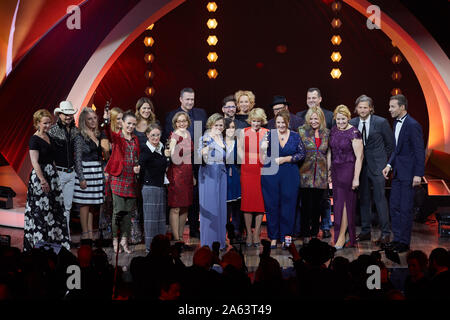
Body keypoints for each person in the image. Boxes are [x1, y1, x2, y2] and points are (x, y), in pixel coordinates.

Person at [382, 94, 425, 253]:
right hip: (398, 173)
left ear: (402, 107)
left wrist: (418, 174)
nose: (389, 109)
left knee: (405, 209)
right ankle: (397, 239)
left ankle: (404, 242)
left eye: (392, 106)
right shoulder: (395, 122)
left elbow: (419, 151)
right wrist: (389, 164)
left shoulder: (413, 125)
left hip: (409, 173)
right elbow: (396, 149)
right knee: (394, 207)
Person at [349, 95, 395, 245]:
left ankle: (385, 233)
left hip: (378, 167)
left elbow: (390, 145)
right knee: (364, 200)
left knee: (380, 199)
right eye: (360, 107)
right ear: (356, 109)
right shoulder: (352, 123)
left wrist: (385, 163)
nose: (362, 110)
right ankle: (365, 231)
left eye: (365, 107)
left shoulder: (381, 122)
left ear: (371, 108)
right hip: (360, 167)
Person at [23, 109, 70, 251]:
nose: (48, 125)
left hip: (52, 176)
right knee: (41, 210)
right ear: (37, 123)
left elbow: (52, 158)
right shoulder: (34, 139)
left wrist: (55, 176)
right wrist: (43, 180)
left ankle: (53, 242)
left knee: (54, 208)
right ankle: (40, 244)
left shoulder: (48, 136)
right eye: (45, 123)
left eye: (49, 122)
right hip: (40, 178)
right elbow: (34, 162)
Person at [164, 88, 207, 239]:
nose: (190, 102)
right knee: (176, 205)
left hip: (193, 166)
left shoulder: (200, 114)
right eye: (187, 99)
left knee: (190, 202)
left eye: (192, 99)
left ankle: (190, 232)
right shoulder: (171, 117)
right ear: (180, 99)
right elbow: (170, 147)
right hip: (177, 169)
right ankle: (177, 237)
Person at [261, 110, 305, 248]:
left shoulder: (295, 136)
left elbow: (301, 154)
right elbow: (262, 159)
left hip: (289, 174)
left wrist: (286, 159)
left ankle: (287, 236)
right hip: (270, 174)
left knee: (289, 205)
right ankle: (273, 237)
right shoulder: (269, 135)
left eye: (283, 122)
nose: (280, 125)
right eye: (278, 122)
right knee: (272, 205)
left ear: (288, 122)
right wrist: (263, 149)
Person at [296, 88, 334, 239]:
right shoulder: (301, 131)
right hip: (305, 173)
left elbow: (329, 151)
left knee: (319, 206)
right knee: (306, 205)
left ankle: (315, 231)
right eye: (311, 119)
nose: (313, 121)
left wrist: (329, 170)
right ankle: (305, 231)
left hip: (321, 174)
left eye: (316, 119)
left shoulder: (327, 132)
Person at [104, 111, 141, 254]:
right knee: (118, 211)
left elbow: (136, 157)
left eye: (133, 124)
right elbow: (107, 132)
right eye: (128, 123)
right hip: (118, 178)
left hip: (131, 179)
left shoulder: (136, 139)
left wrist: (138, 167)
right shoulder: (117, 138)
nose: (131, 126)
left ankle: (124, 240)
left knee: (128, 213)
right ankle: (115, 240)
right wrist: (106, 120)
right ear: (122, 124)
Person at [328, 105, 363, 249]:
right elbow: (330, 151)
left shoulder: (354, 132)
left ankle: (342, 236)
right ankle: (340, 235)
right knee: (337, 204)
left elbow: (360, 157)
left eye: (343, 119)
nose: (341, 122)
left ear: (348, 118)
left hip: (348, 171)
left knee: (345, 204)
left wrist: (356, 178)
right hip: (336, 171)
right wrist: (329, 171)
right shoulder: (334, 130)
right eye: (338, 119)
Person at [48, 101, 82, 240]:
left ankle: (65, 236)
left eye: (70, 114)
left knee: (67, 207)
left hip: (71, 173)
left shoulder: (75, 131)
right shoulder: (53, 131)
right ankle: (54, 236)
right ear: (59, 114)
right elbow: (49, 153)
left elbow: (77, 155)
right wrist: (53, 172)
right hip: (59, 173)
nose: (68, 116)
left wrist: (80, 175)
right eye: (65, 114)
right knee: (56, 205)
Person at [73, 107, 105, 242]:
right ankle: (85, 234)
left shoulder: (98, 134)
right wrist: (81, 177)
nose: (93, 121)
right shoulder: (80, 136)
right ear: (84, 121)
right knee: (84, 205)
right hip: (85, 172)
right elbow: (77, 159)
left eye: (95, 118)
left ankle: (90, 233)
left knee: (92, 205)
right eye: (89, 119)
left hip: (97, 172)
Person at [239, 107, 268, 247]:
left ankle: (257, 233)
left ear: (262, 121)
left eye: (258, 121)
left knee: (260, 203)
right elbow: (239, 151)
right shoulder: (243, 132)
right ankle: (248, 234)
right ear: (250, 120)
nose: (256, 123)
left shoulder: (267, 133)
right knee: (247, 203)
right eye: (254, 121)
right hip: (247, 171)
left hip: (261, 169)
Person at [139, 123, 170, 252]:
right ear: (147, 135)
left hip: (160, 186)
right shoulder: (146, 150)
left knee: (161, 220)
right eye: (153, 135)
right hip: (150, 187)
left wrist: (167, 157)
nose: (156, 137)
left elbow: (164, 167)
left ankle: (161, 248)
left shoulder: (161, 148)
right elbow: (142, 166)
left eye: (158, 135)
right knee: (151, 221)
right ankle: (150, 248)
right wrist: (166, 158)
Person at [198, 114, 227, 249]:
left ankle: (219, 242)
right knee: (210, 207)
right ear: (210, 125)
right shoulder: (205, 138)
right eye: (216, 125)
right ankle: (208, 243)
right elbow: (200, 157)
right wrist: (204, 153)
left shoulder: (222, 138)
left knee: (220, 208)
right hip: (208, 173)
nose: (219, 128)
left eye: (221, 125)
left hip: (221, 174)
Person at [167, 111, 194, 242]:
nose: (182, 123)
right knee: (176, 206)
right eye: (179, 121)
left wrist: (192, 175)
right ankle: (176, 237)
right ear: (175, 123)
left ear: (188, 122)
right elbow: (171, 156)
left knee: (185, 206)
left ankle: (181, 235)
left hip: (187, 173)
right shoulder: (174, 136)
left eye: (184, 121)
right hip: (177, 173)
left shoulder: (188, 134)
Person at [224, 118, 242, 239]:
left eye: (233, 127)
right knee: (225, 205)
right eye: (228, 127)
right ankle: (225, 228)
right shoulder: (219, 141)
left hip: (235, 174)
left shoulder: (238, 142)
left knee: (236, 204)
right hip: (223, 175)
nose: (231, 130)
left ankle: (236, 229)